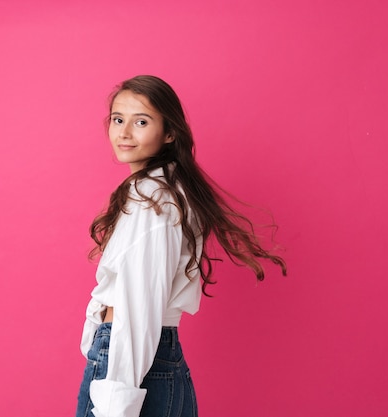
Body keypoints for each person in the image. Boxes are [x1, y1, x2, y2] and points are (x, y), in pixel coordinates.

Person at [75, 75, 287, 417]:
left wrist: (114, 396)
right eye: (118, 119)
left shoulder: (151, 198)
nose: (124, 132)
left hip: (132, 364)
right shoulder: (168, 190)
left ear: (169, 132)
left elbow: (139, 302)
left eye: (141, 122)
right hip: (154, 358)